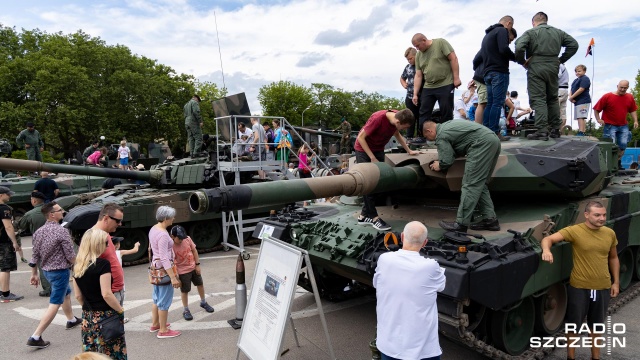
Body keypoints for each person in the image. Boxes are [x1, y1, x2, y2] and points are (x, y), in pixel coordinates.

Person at [541, 201, 620, 360]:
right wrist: (546, 250)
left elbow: (614, 257)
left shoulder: (609, 233)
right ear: (586, 215)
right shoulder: (575, 231)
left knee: (597, 325)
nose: (602, 218)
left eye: (604, 215)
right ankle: (571, 357)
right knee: (573, 324)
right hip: (580, 287)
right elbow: (548, 239)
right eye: (597, 215)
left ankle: (595, 357)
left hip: (602, 286)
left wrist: (616, 282)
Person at [373, 221, 446, 360]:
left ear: (401, 237)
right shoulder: (430, 266)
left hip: (388, 346)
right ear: (425, 242)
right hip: (422, 351)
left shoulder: (384, 259)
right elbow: (441, 285)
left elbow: (377, 283)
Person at [423, 120, 501, 232]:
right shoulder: (447, 125)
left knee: (470, 184)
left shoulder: (441, 135)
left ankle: (461, 224)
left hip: (481, 144)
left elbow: (446, 161)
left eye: (428, 137)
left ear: (429, 130)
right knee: (480, 184)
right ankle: (490, 221)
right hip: (492, 140)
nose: (430, 140)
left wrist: (439, 164)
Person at [515, 11, 578, 140]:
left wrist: (522, 61)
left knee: (538, 99)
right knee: (552, 98)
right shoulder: (558, 32)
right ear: (545, 20)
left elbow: (519, 46)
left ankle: (542, 130)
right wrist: (561, 59)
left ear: (534, 22)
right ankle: (555, 129)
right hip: (553, 66)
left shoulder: (531, 32)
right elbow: (574, 45)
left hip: (536, 66)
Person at [27, 201, 81, 349]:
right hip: (60, 272)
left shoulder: (39, 232)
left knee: (66, 293)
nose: (62, 212)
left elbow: (35, 255)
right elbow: (70, 255)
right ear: (51, 214)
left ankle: (71, 319)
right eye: (59, 210)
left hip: (47, 272)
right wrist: (81, 266)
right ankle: (36, 336)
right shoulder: (61, 231)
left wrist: (34, 274)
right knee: (55, 302)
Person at [354, 109, 419, 231]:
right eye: (404, 128)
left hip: (378, 149)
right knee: (368, 182)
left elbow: (397, 135)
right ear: (398, 121)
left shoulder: (398, 116)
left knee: (379, 181)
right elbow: (361, 138)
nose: (403, 130)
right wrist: (372, 158)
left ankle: (363, 216)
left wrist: (409, 150)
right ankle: (374, 218)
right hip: (364, 150)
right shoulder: (377, 119)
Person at [72, 229, 127, 359]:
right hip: (106, 315)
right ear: (97, 245)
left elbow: (78, 296)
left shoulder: (78, 265)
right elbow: (106, 294)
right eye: (106, 243)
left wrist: (90, 308)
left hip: (88, 317)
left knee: (91, 354)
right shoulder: (103, 265)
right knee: (112, 352)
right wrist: (120, 310)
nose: (108, 246)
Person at [411, 33, 461, 142]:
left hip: (445, 83)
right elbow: (418, 75)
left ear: (424, 40)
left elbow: (453, 58)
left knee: (446, 110)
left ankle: (447, 136)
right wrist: (415, 93)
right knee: (424, 111)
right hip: (429, 86)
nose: (417, 48)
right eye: (415, 47)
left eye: (418, 45)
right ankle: (422, 136)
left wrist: (456, 78)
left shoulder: (440, 43)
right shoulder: (419, 55)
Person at [477, 16, 516, 140]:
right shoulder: (502, 31)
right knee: (497, 103)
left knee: (490, 103)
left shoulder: (487, 36)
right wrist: (517, 58)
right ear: (509, 23)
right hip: (499, 72)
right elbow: (504, 49)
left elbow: (479, 57)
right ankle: (494, 132)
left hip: (487, 73)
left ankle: (486, 131)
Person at [169, 225, 215, 321]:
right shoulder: (170, 246)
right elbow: (171, 262)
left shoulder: (187, 239)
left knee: (200, 284)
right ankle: (186, 310)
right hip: (182, 271)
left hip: (193, 267)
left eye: (182, 238)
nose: (181, 240)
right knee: (185, 291)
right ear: (172, 237)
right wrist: (176, 277)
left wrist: (197, 264)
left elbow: (194, 251)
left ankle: (203, 302)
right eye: (179, 238)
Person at [149, 206, 181, 338]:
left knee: (156, 298)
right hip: (164, 271)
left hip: (155, 269)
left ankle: (155, 324)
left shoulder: (154, 229)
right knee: (164, 300)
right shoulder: (162, 234)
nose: (173, 218)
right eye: (172, 216)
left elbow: (152, 250)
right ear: (166, 218)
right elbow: (164, 257)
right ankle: (163, 330)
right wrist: (173, 277)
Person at [91, 203, 126, 309]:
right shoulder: (94, 237)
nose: (120, 224)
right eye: (117, 221)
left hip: (115, 291)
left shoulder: (105, 235)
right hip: (109, 293)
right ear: (106, 218)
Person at [593, 80, 638, 161]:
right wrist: (598, 119)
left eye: (625, 88)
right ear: (617, 86)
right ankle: (610, 163)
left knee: (623, 145)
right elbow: (596, 109)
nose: (623, 89)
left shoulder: (629, 97)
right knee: (611, 145)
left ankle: (617, 161)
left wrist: (635, 121)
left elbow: (633, 110)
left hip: (623, 125)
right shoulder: (607, 96)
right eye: (621, 87)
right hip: (610, 125)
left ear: (627, 88)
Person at [15, 191, 50, 296]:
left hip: (40, 243)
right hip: (56, 240)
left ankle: (48, 289)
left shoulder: (30, 214)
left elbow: (21, 225)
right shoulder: (52, 210)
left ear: (34, 200)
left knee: (43, 265)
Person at [0, 186, 23, 302]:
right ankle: (5, 293)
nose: (9, 196)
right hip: (3, 242)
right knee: (5, 268)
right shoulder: (4, 209)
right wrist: (14, 242)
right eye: (7, 194)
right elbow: (8, 227)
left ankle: (2, 291)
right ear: (1, 195)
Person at [111, 236, 139, 323]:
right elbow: (135, 250)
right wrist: (136, 245)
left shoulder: (106, 255)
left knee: (115, 301)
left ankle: (117, 318)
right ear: (116, 245)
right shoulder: (119, 253)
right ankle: (119, 319)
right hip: (119, 281)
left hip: (112, 282)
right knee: (120, 300)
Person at [400, 47, 420, 139]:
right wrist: (404, 84)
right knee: (410, 118)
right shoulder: (407, 67)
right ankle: (409, 138)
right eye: (407, 59)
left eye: (410, 58)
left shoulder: (421, 65)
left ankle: (421, 137)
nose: (409, 61)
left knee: (421, 118)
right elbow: (402, 78)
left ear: (416, 55)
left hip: (422, 96)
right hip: (409, 96)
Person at [568, 64, 592, 137]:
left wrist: (572, 97)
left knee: (581, 116)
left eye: (579, 71)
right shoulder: (575, 80)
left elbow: (581, 89)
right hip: (577, 101)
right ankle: (581, 130)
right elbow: (571, 90)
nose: (577, 73)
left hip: (583, 100)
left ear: (584, 71)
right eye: (576, 71)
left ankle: (582, 131)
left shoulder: (585, 78)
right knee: (578, 117)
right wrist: (570, 97)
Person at [558, 63, 570, 128]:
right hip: (564, 90)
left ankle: (556, 128)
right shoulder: (562, 66)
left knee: (556, 110)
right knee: (563, 111)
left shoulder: (557, 64)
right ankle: (561, 129)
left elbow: (558, 75)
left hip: (560, 89)